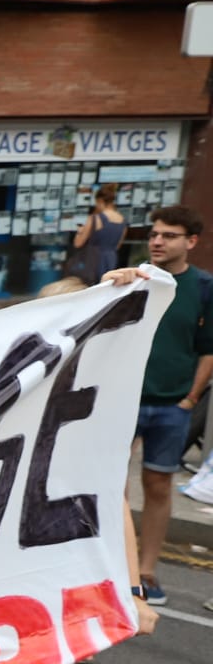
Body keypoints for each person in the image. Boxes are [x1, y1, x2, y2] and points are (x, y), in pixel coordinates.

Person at [128, 206, 213, 606]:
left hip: (171, 405)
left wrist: (189, 399)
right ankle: (116, 569)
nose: (157, 241)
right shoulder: (136, 279)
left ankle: (146, 571)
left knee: (158, 485)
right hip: (124, 401)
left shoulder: (203, 287)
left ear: (191, 242)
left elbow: (208, 350)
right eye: (154, 234)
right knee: (108, 485)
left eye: (169, 235)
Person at [69, 183, 127, 283]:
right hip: (111, 259)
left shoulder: (95, 218)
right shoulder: (122, 220)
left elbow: (78, 243)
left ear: (100, 201)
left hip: (92, 260)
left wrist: (79, 231)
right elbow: (118, 245)